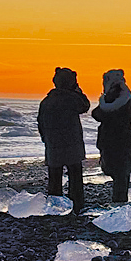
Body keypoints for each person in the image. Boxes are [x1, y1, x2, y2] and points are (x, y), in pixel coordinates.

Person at [37, 67, 90, 212]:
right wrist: (77, 90)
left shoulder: (47, 101)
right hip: (71, 143)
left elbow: (40, 122)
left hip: (53, 143)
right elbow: (85, 105)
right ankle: (77, 206)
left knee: (54, 177)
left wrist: (45, 139)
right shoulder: (71, 98)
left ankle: (55, 206)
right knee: (75, 177)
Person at [92, 69, 131, 203]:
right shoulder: (128, 96)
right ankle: (120, 199)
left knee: (116, 170)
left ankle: (119, 201)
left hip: (113, 138)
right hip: (125, 138)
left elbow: (98, 114)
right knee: (122, 172)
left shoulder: (112, 96)